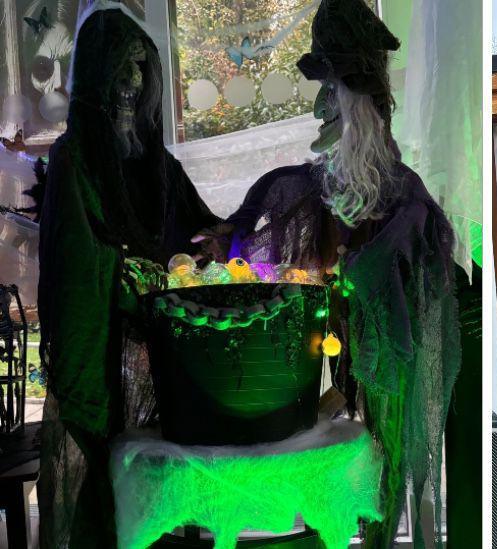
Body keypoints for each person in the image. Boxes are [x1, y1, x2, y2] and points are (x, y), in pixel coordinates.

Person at [193, 1, 461, 546]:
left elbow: (403, 264)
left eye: (330, 88)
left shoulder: (405, 196)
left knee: (384, 453)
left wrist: (365, 271)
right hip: (330, 350)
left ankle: (381, 535)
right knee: (332, 449)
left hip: (384, 355)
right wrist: (232, 236)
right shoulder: (311, 185)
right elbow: (267, 210)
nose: (318, 105)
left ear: (357, 101)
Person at [36, 7, 219, 546]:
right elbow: (72, 267)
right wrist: (130, 277)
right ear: (95, 76)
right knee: (108, 505)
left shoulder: (158, 167)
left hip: (161, 369)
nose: (130, 85)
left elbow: (201, 231)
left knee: (160, 496)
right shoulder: (74, 161)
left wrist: (218, 244)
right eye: (119, 70)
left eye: (140, 69)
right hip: (102, 361)